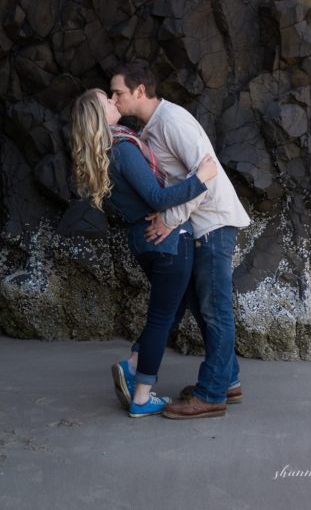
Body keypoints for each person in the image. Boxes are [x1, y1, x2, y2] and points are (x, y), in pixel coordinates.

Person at [110, 62, 251, 420]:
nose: (115, 98)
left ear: (140, 90)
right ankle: (228, 380)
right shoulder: (151, 128)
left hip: (213, 224)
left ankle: (212, 394)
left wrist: (170, 220)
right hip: (199, 226)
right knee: (203, 307)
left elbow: (208, 172)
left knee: (215, 310)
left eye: (119, 93)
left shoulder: (172, 122)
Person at [69, 89, 219, 417]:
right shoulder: (121, 147)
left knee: (172, 307)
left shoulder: (103, 154)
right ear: (98, 115)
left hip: (141, 239)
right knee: (162, 317)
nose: (113, 101)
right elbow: (157, 197)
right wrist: (201, 179)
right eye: (107, 101)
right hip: (166, 242)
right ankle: (141, 395)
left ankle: (134, 363)